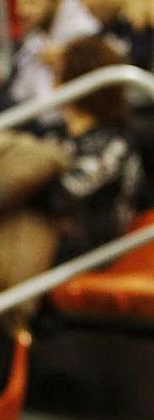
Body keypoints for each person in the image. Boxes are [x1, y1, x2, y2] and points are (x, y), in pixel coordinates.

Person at [46, 35, 145, 262]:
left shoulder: (115, 141)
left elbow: (64, 196)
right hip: (54, 240)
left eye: (58, 76)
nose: (53, 85)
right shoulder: (54, 133)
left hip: (95, 249)